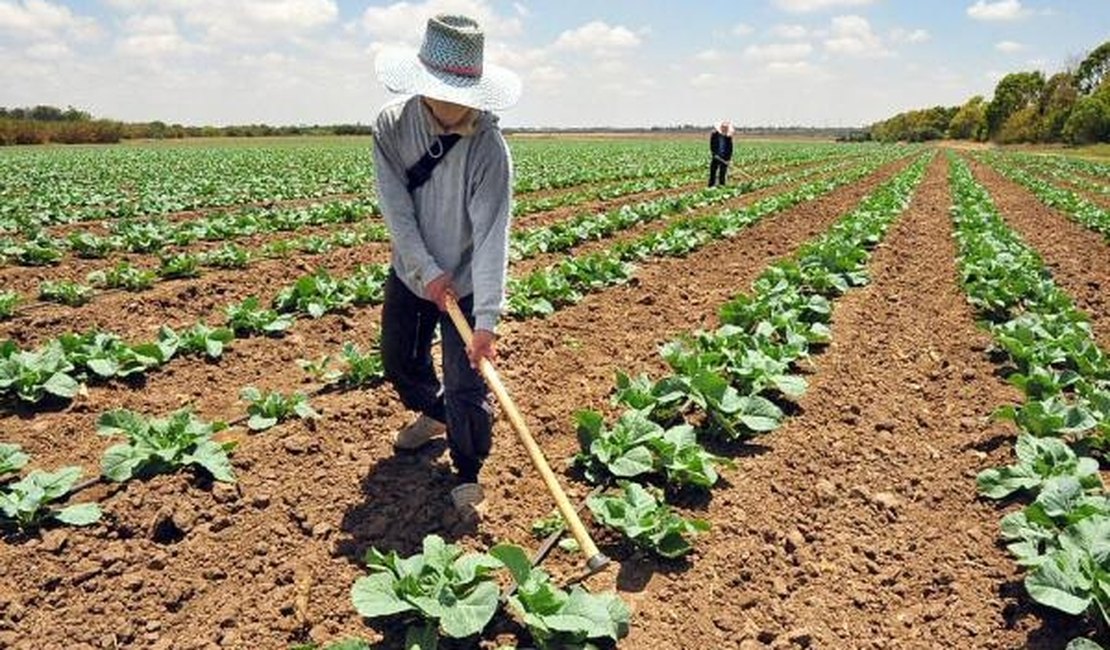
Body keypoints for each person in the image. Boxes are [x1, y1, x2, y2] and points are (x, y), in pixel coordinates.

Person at [371, 14, 521, 514]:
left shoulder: (488, 150)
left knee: (467, 383)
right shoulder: (392, 127)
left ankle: (468, 470)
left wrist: (486, 323)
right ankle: (435, 415)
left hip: (468, 280)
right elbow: (397, 210)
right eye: (442, 90)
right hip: (414, 274)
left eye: (462, 93)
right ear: (421, 85)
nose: (454, 104)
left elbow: (491, 236)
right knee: (400, 361)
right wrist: (425, 272)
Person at [708, 120, 734, 187]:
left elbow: (730, 149)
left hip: (724, 158)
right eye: (723, 127)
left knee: (722, 173)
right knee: (713, 172)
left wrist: (728, 159)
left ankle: (721, 186)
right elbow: (712, 146)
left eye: (726, 128)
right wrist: (714, 154)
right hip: (716, 157)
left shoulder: (728, 137)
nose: (724, 129)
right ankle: (711, 186)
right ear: (721, 127)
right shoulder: (714, 135)